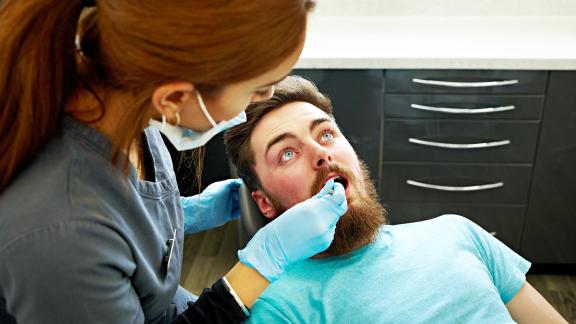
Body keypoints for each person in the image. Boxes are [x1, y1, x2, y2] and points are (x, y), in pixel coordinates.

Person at [0, 1, 349, 323]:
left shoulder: (129, 113)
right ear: (174, 98)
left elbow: (127, 233)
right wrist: (260, 266)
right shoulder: (61, 236)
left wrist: (183, 214)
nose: (267, 96)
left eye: (326, 133)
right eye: (257, 87)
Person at [224, 76, 568, 323]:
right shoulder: (278, 308)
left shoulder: (458, 232)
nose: (320, 154)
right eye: (286, 153)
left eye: (326, 133)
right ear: (264, 202)